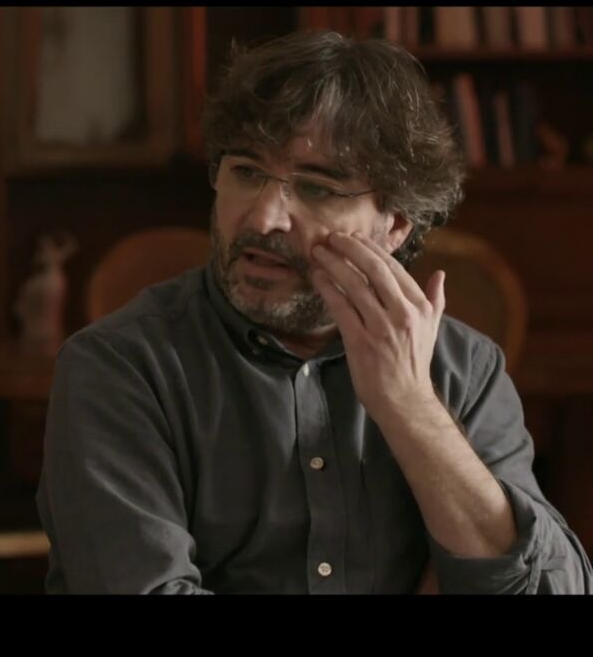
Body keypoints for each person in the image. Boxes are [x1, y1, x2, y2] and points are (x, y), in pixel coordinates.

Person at [36, 29, 592, 594]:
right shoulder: (119, 367)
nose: (263, 218)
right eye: (247, 172)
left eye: (317, 189)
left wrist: (411, 406)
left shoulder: (464, 369)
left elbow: (555, 588)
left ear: (395, 225)